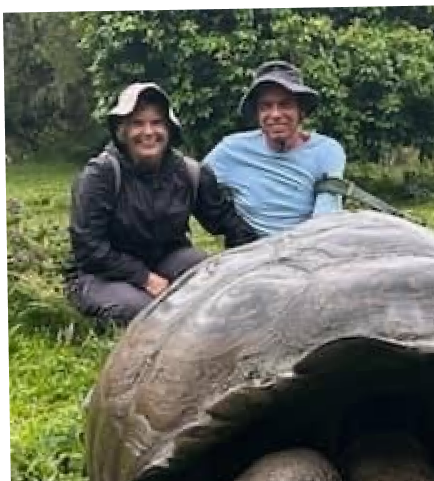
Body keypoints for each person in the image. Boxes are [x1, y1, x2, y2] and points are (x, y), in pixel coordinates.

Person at [63, 82, 256, 327]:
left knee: (209, 277)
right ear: (121, 130)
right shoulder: (101, 175)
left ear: (169, 129)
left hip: (165, 260)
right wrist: (144, 278)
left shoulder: (190, 172)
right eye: (137, 123)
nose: (148, 132)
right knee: (146, 313)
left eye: (156, 123)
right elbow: (88, 247)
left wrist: (255, 262)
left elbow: (226, 220)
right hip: (101, 273)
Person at [203, 60, 347, 241]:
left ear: (301, 111)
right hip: (250, 250)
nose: (276, 114)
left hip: (308, 247)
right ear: (257, 113)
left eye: (285, 104)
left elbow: (325, 217)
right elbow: (194, 182)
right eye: (266, 106)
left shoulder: (327, 151)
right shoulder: (231, 150)